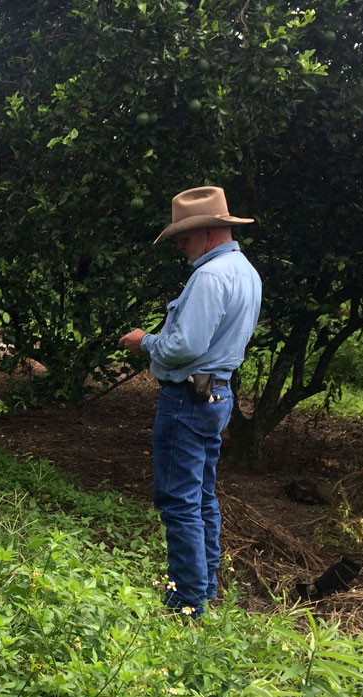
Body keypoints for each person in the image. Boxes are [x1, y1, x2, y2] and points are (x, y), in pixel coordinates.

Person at [119, 187, 262, 619]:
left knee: (178, 500)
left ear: (210, 231)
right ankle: (207, 586)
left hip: (187, 398)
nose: (180, 244)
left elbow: (185, 345)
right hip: (216, 393)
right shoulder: (245, 271)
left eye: (184, 235)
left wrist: (145, 341)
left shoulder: (210, 276)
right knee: (202, 496)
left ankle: (187, 603)